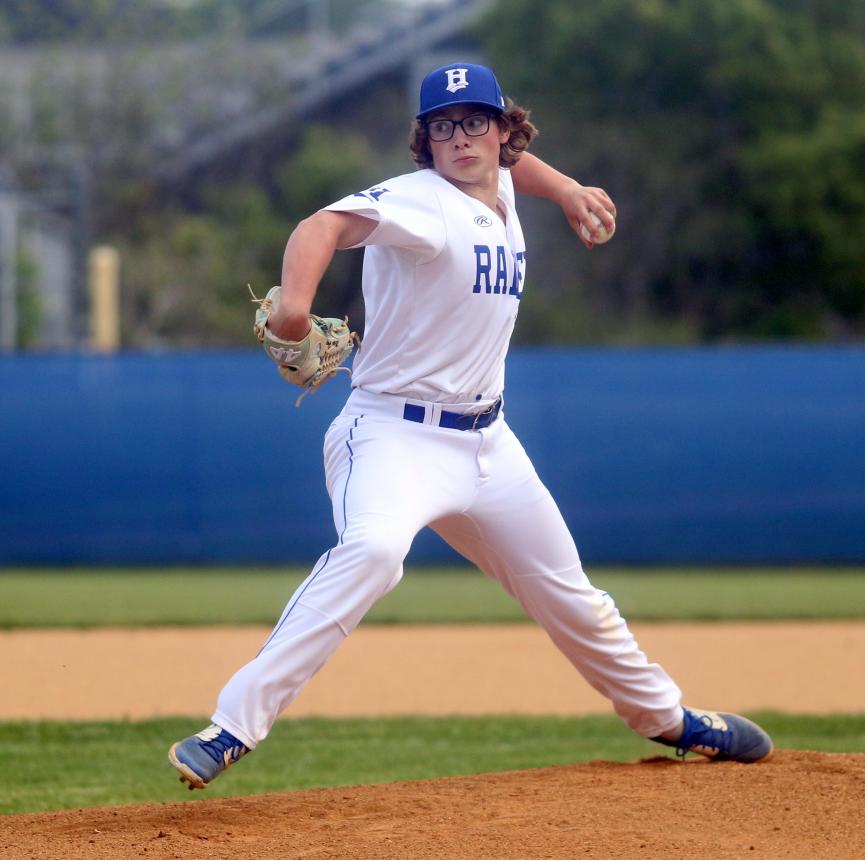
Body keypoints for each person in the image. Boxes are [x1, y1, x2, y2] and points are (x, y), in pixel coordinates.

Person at [169, 62, 772, 790]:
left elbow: (523, 171)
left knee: (572, 595)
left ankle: (668, 720)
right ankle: (232, 726)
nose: (461, 138)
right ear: (425, 141)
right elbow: (321, 224)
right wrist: (294, 308)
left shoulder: (503, 181)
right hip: (393, 435)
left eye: (475, 122)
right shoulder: (419, 202)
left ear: (503, 130)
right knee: (374, 551)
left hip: (489, 444)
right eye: (443, 126)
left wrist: (572, 190)